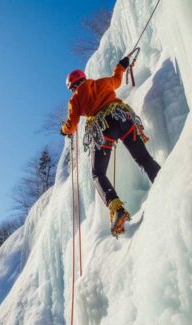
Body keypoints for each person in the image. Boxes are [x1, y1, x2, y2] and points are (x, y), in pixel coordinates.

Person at [61, 57, 161, 237]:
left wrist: (64, 130)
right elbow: (116, 80)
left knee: (97, 173)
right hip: (122, 118)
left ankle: (117, 208)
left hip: (102, 129)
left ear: (72, 87)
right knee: (143, 159)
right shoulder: (101, 83)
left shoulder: (75, 100)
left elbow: (72, 125)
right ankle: (162, 180)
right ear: (84, 78)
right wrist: (121, 66)